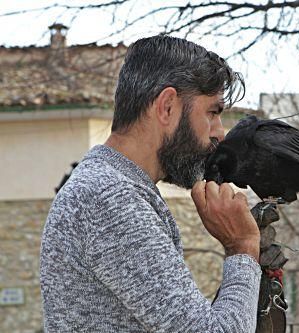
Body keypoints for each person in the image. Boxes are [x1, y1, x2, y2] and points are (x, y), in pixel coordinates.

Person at [40, 35, 261, 332]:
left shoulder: (109, 189)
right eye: (212, 112)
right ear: (167, 106)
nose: (219, 133)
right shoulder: (110, 199)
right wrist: (242, 247)